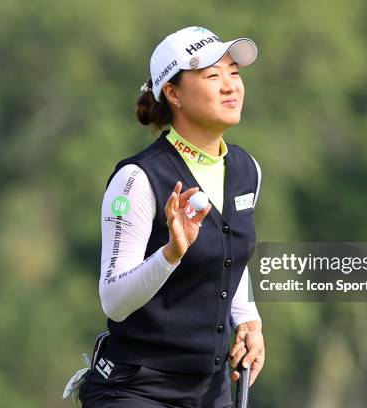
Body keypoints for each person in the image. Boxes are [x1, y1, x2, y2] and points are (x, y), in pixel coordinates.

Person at [79, 26, 265, 408]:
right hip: (136, 390)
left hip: (212, 390)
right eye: (213, 75)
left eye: (234, 72)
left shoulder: (248, 170)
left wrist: (248, 320)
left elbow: (232, 255)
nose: (230, 85)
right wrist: (171, 254)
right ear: (173, 93)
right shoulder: (137, 179)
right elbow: (113, 300)